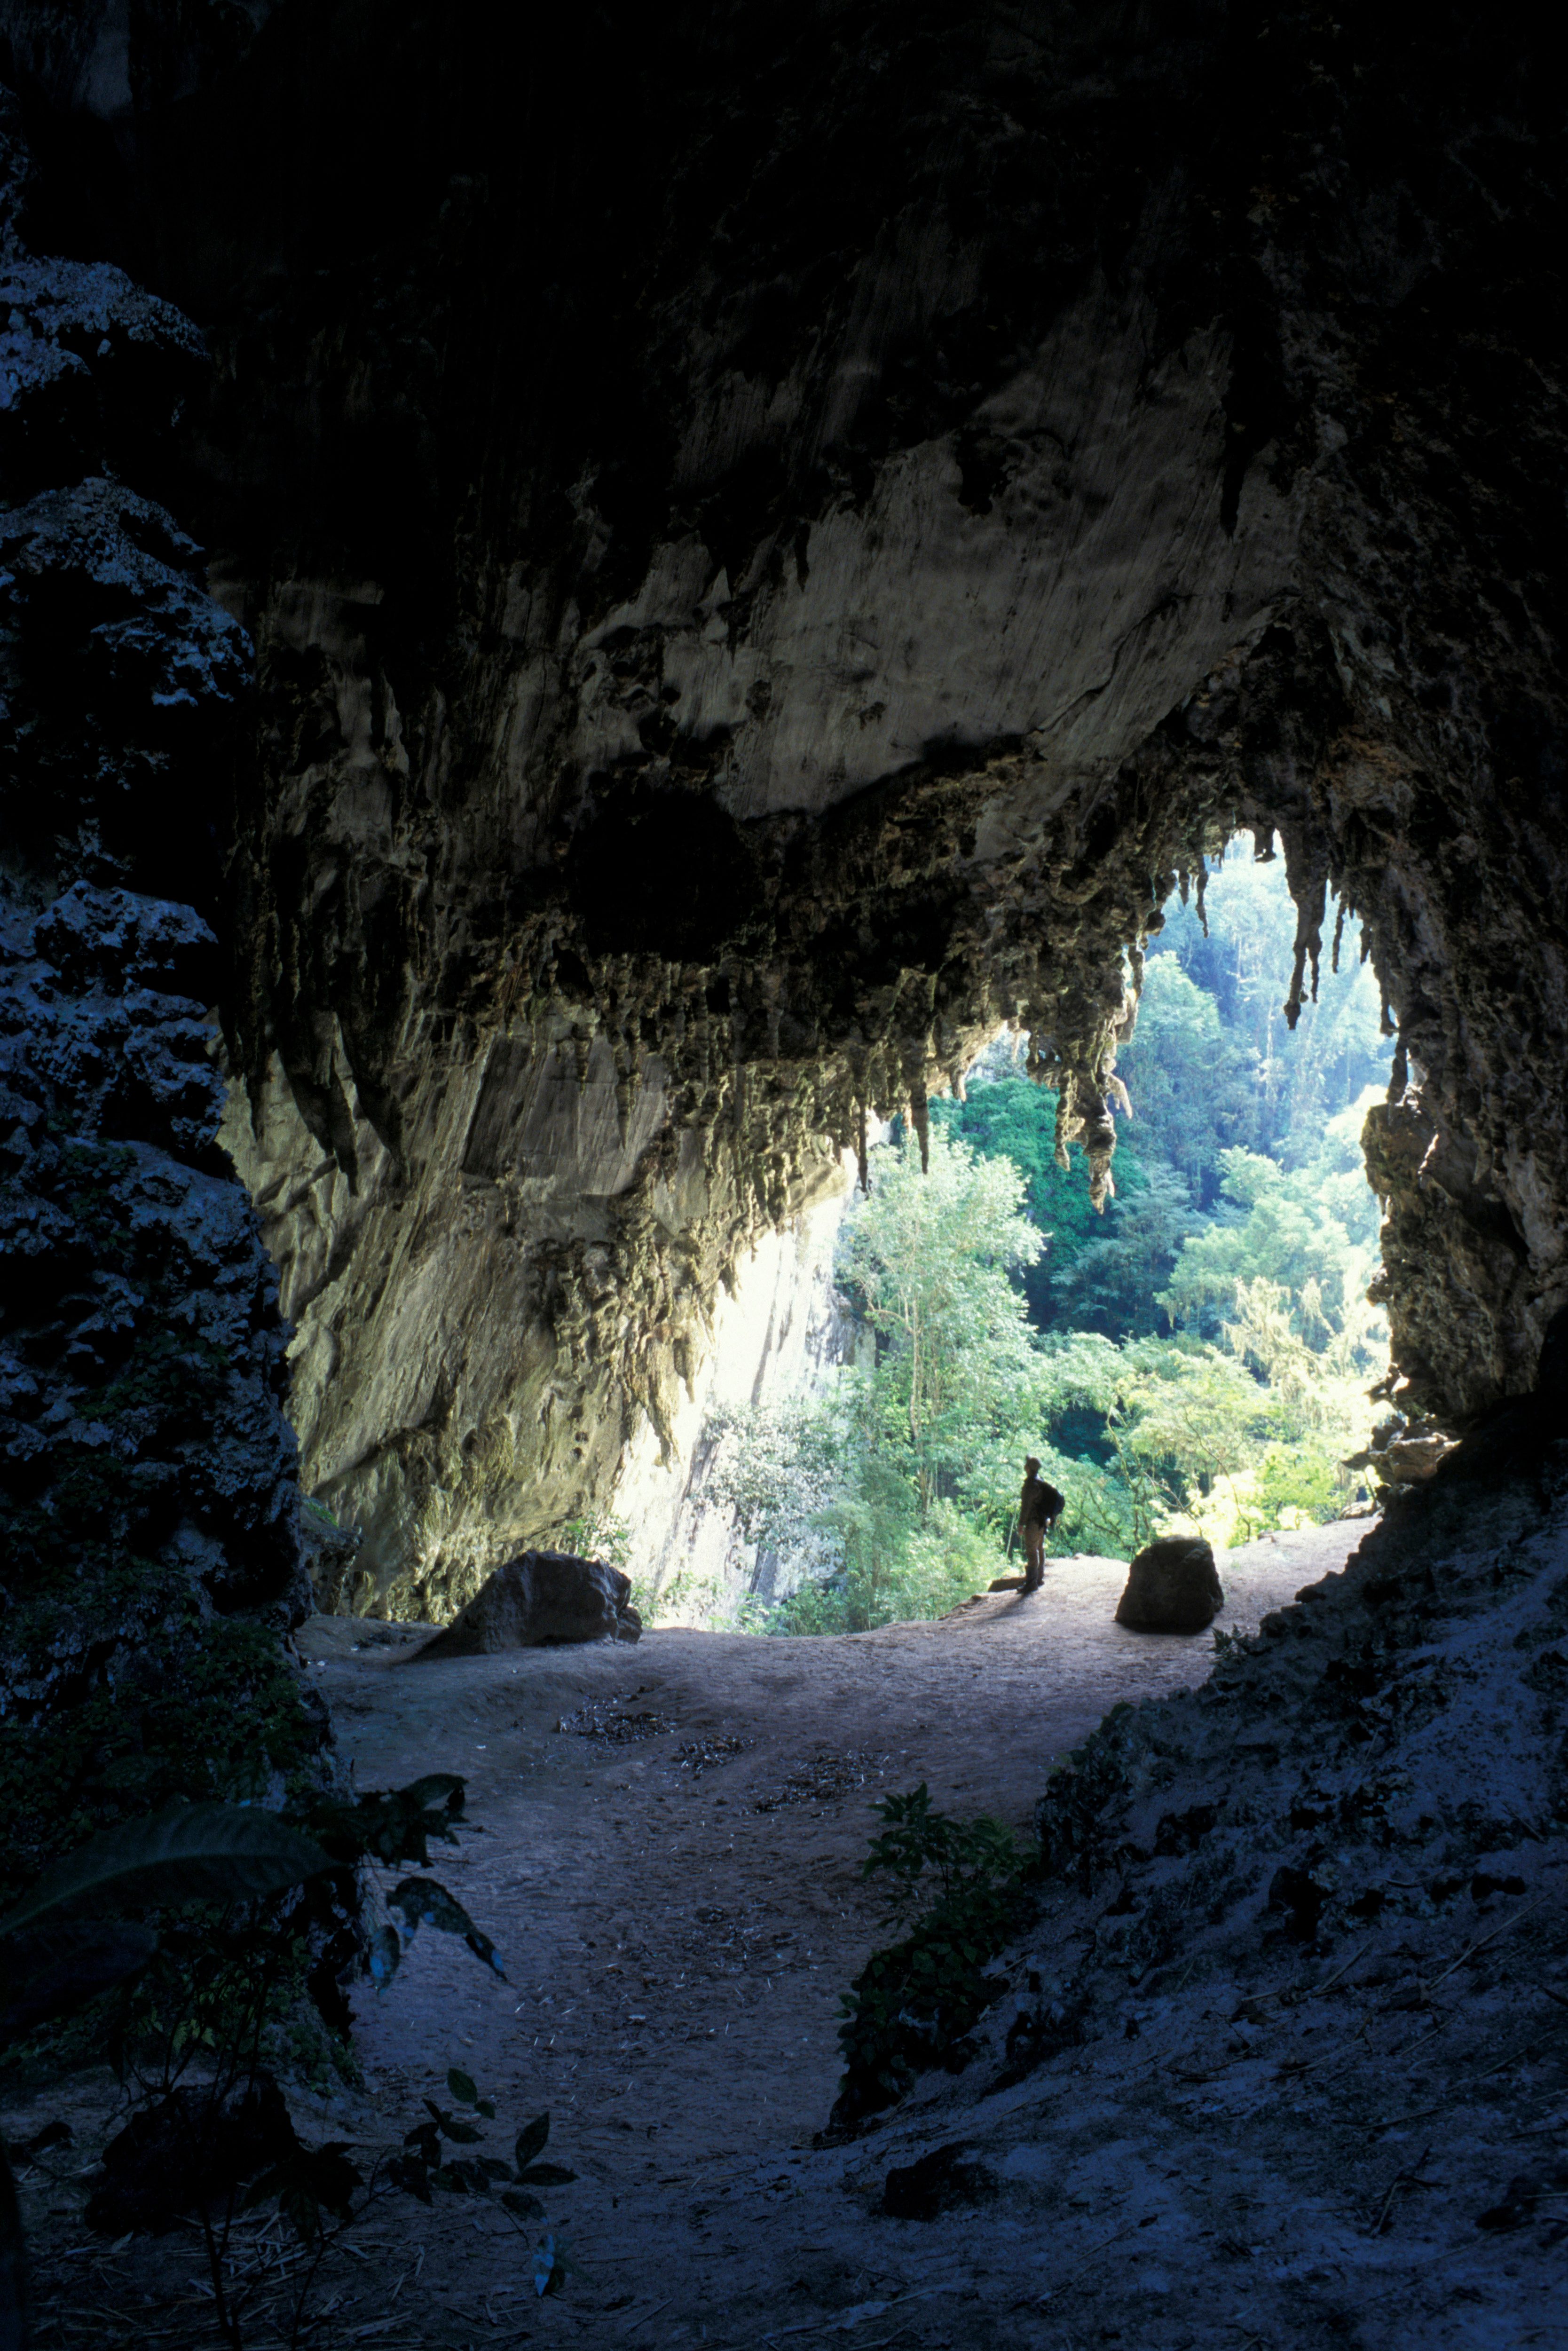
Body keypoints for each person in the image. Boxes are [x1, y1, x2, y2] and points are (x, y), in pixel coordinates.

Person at [1018, 1456, 1064, 1592]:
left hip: (1033, 1522)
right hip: (1043, 1522)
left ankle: (1031, 1583)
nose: (1025, 1466)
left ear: (1028, 1468)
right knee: (1040, 1548)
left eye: (1026, 1464)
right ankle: (1039, 1578)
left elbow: (1026, 1507)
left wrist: (1021, 1524)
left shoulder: (1030, 1485)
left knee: (1032, 1551)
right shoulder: (1042, 1482)